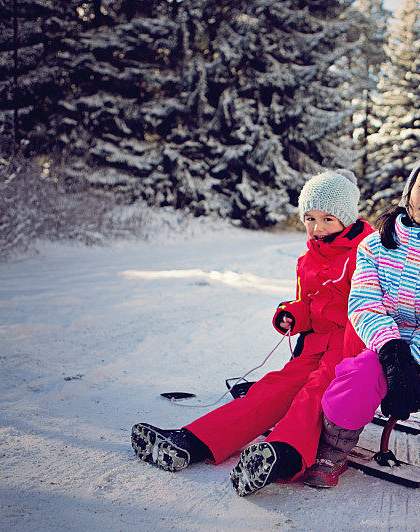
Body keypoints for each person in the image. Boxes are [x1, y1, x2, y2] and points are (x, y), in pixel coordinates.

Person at [130, 169, 374, 497]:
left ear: (347, 218)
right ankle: (193, 442)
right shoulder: (307, 260)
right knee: (271, 389)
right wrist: (291, 316)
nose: (317, 229)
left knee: (314, 394)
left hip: (350, 348)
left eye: (328, 220)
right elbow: (307, 305)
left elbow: (377, 306)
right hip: (315, 346)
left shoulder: (368, 254)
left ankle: (283, 454)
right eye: (310, 219)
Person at [303, 149, 420, 503]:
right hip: (384, 344)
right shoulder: (376, 245)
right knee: (357, 375)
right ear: (410, 189)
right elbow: (364, 302)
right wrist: (392, 351)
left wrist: (415, 354)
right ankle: (335, 446)